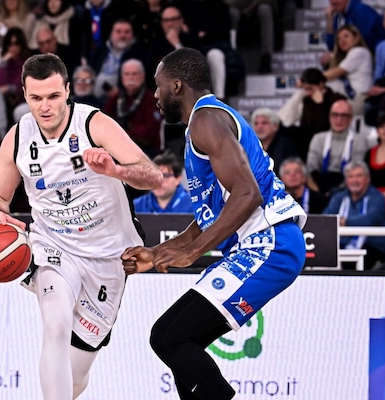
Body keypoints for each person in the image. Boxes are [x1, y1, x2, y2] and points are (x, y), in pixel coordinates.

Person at [121, 47, 306, 400]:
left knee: (170, 337)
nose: (155, 95)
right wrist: (157, 253)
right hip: (263, 244)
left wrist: (192, 253)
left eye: (158, 86)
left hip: (270, 243)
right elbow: (211, 216)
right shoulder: (206, 122)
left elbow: (248, 194)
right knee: (178, 342)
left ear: (177, 85)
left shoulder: (206, 120)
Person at [0, 53, 162, 399]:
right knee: (56, 326)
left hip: (108, 255)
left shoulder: (94, 124)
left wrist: (116, 170)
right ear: (24, 94)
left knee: (76, 376)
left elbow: (153, 175)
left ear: (68, 90)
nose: (45, 107)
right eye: (36, 98)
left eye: (53, 96)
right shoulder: (18, 137)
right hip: (54, 245)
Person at [322, 160, 385, 269]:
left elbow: (369, 219)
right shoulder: (339, 197)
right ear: (346, 180)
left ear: (367, 179)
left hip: (370, 247)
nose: (354, 180)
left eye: (359, 176)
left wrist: (345, 222)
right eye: (350, 177)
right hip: (341, 246)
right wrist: (338, 222)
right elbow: (326, 218)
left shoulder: (377, 198)